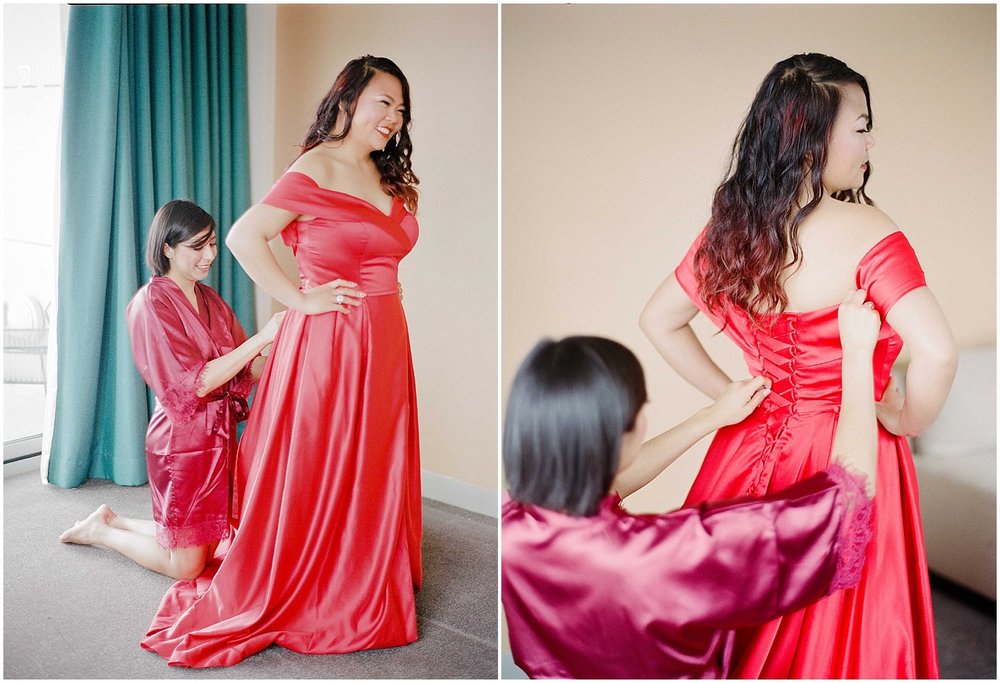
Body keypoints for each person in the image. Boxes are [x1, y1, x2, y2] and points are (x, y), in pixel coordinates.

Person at [639, 53, 957, 678]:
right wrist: (904, 417)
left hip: (749, 444)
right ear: (814, 136)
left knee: (735, 622)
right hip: (851, 443)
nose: (870, 140)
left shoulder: (733, 227)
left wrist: (738, 393)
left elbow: (658, 320)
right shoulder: (867, 229)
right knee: (842, 624)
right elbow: (940, 351)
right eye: (861, 125)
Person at [141, 55, 422, 667]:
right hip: (329, 341)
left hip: (386, 341)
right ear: (348, 99)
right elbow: (244, 236)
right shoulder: (315, 167)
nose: (394, 117)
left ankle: (362, 570)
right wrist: (298, 298)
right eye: (384, 102)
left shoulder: (388, 178)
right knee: (320, 459)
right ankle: (316, 578)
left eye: (401, 108)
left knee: (372, 456)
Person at [502, 291, 881, 679]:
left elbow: (611, 483)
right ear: (624, 431)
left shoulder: (511, 521)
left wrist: (707, 419)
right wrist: (855, 355)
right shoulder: (665, 553)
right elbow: (849, 496)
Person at [59, 200, 283, 580]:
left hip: (219, 437)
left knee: (210, 540)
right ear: (167, 247)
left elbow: (249, 369)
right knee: (188, 567)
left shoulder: (211, 300)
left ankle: (116, 520)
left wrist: (295, 339)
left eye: (212, 244)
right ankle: (102, 532)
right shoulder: (151, 303)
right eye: (198, 246)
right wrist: (263, 337)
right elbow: (195, 383)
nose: (210, 255)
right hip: (181, 444)